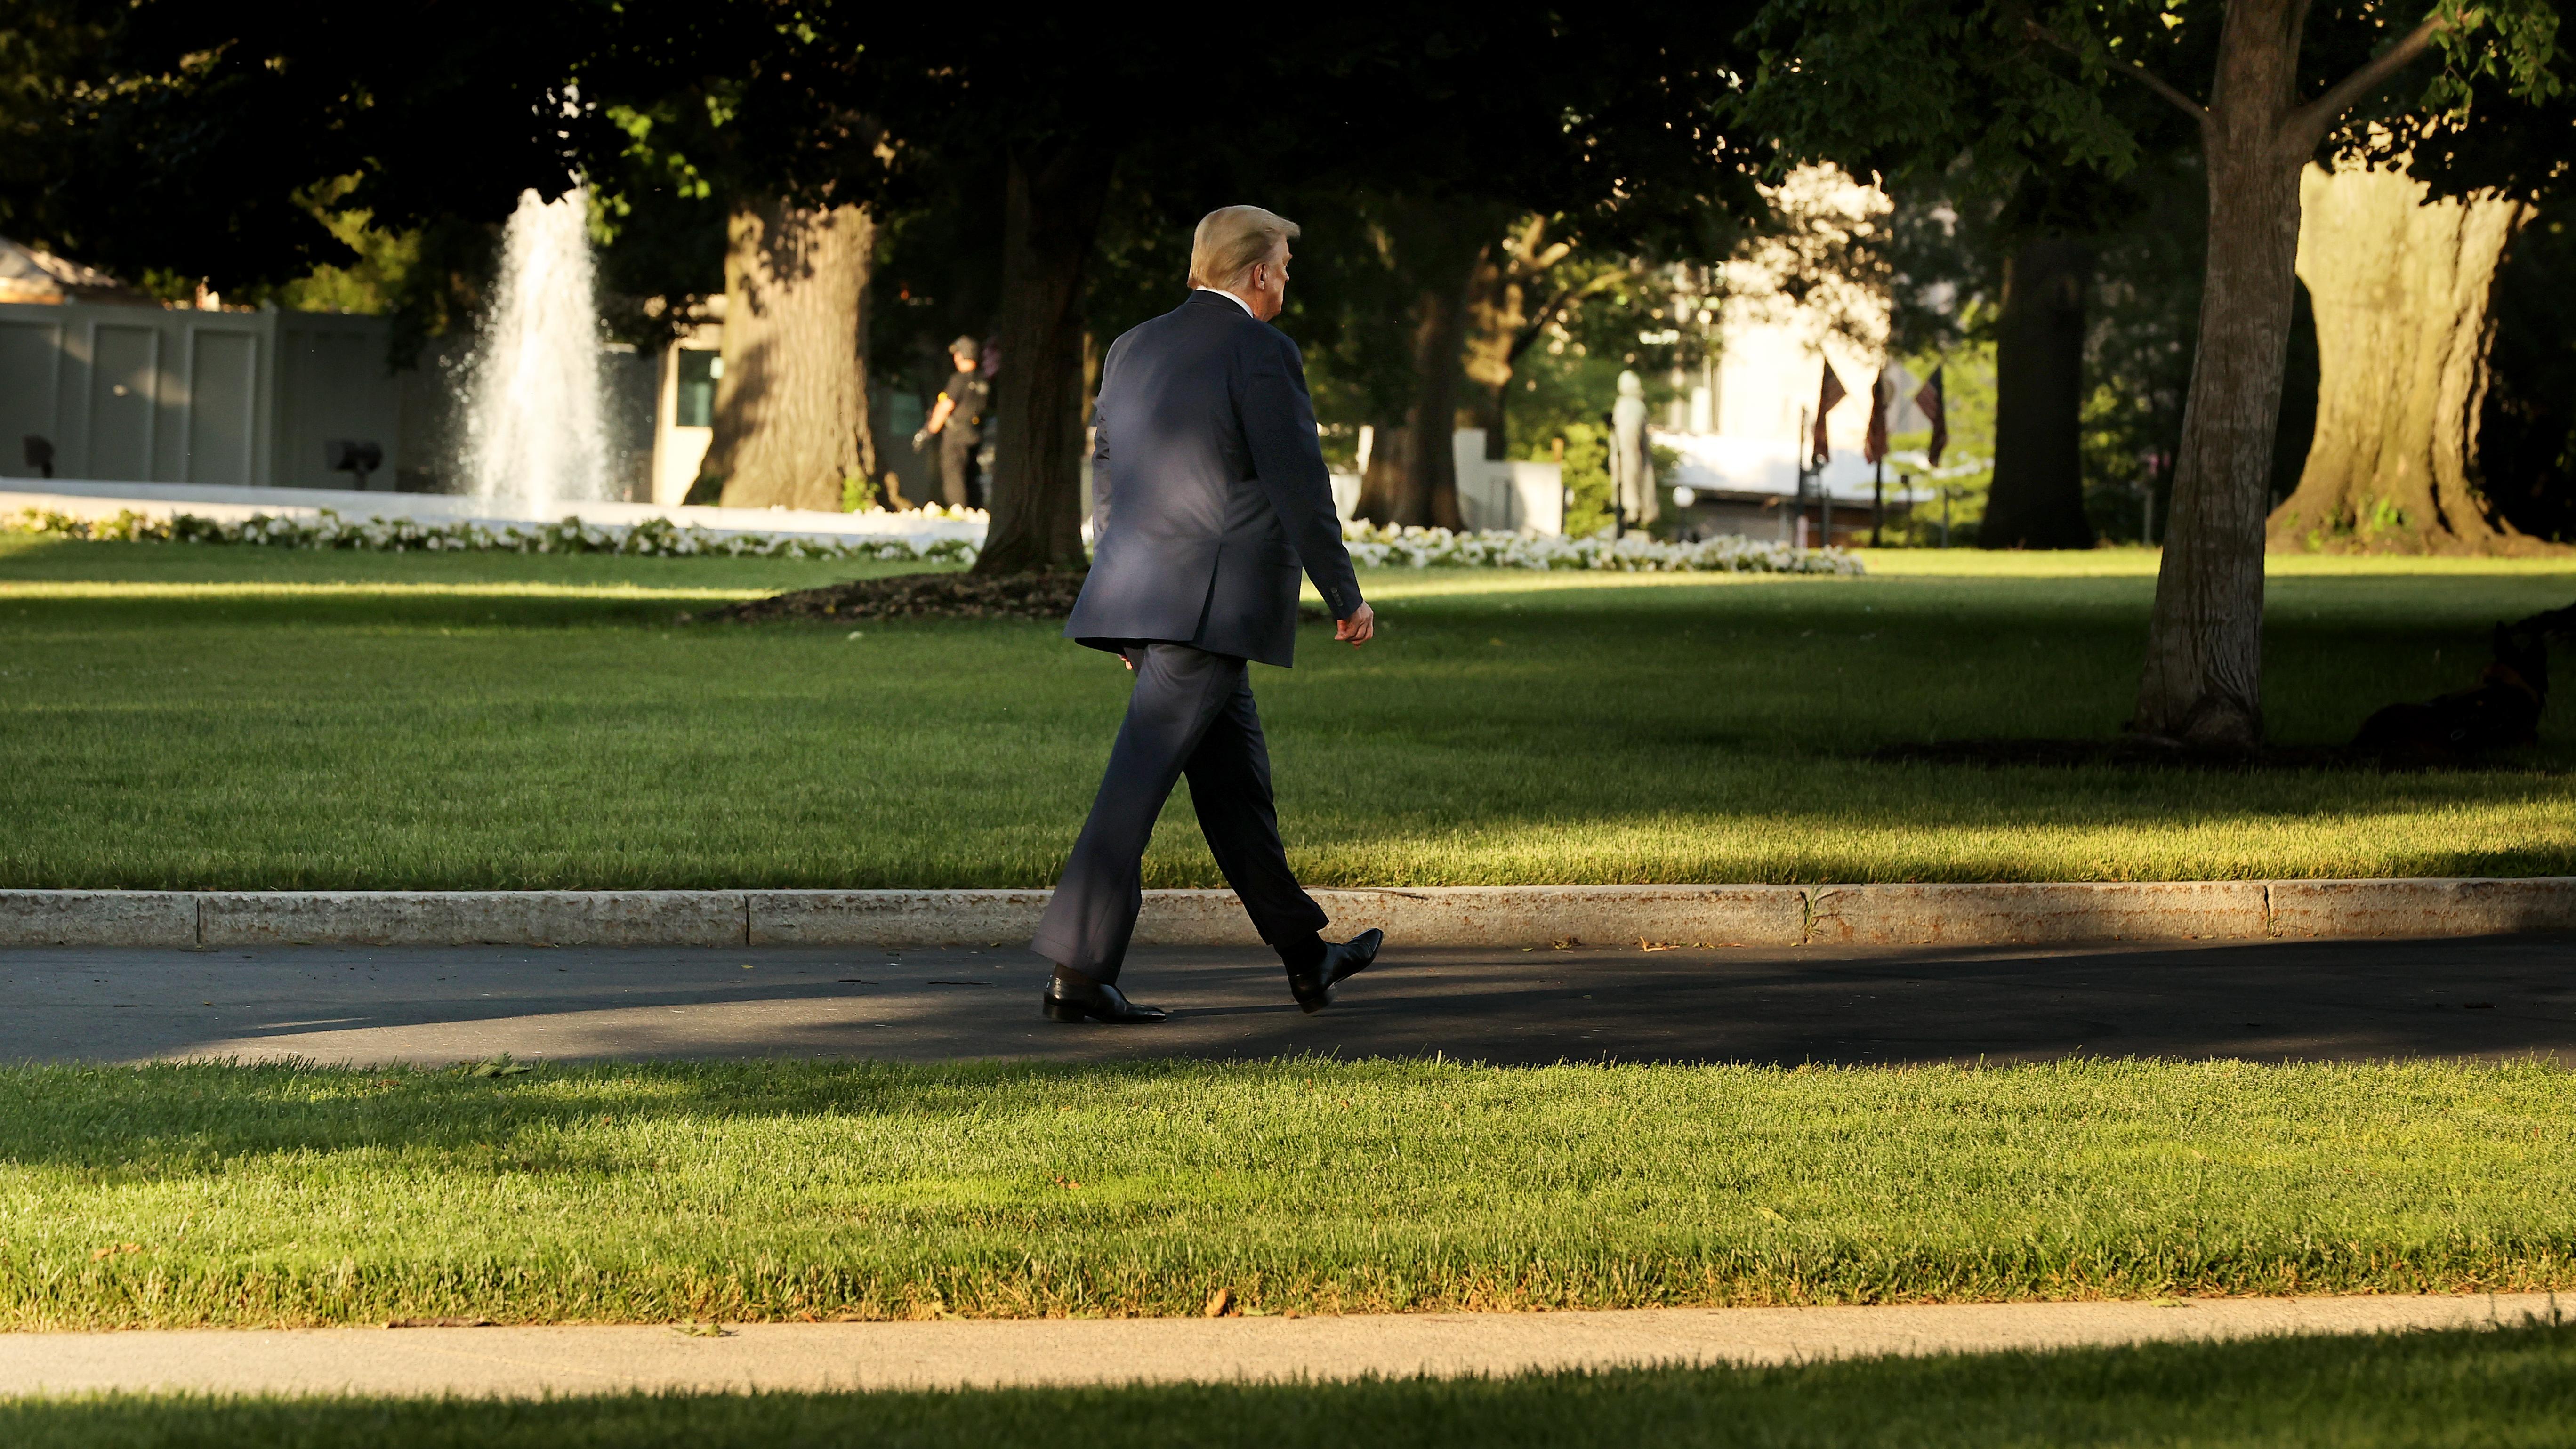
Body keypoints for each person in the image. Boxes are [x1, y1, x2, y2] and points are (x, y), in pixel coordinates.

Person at [1030, 205, 1383, 1025]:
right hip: (1209, 608)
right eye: (1285, 265)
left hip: (1153, 600)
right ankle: (1077, 975)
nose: (1288, 279)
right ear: (1257, 272)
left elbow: (1109, 481)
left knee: (1236, 795)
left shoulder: (1132, 347)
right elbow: (1299, 484)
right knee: (1133, 788)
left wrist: (1121, 610)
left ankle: (1308, 958)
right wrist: (1345, 592)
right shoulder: (1262, 352)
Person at [914, 336, 989, 508]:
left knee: (953, 474)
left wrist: (927, 431)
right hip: (975, 434)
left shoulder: (959, 380)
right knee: (972, 475)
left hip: (956, 435)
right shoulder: (982, 380)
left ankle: (959, 510)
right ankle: (975, 510)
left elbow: (945, 407)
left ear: (962, 356)